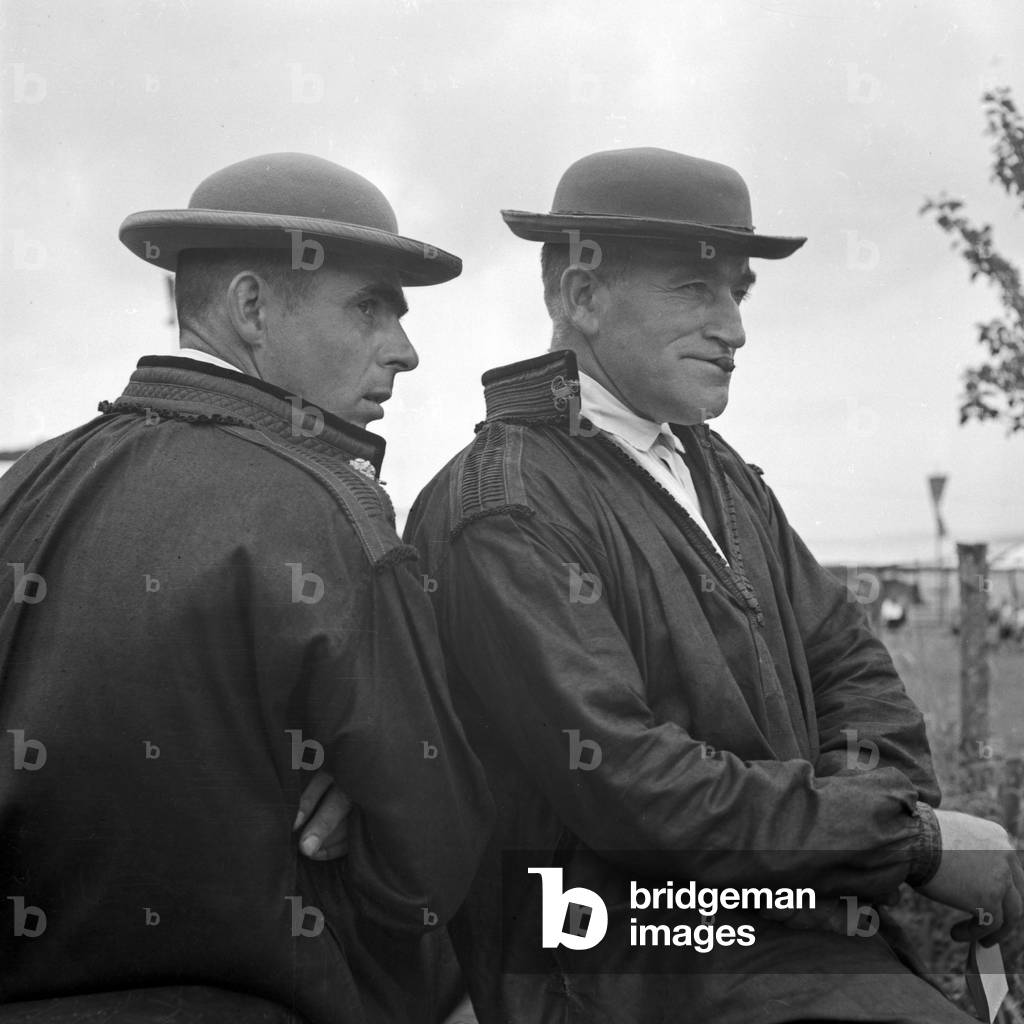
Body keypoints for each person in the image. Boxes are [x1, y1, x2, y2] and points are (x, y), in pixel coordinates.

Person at [404, 147, 1024, 1023]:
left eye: (740, 292)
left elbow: (852, 667)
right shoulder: (505, 506)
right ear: (581, 295)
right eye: (697, 291)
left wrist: (863, 823)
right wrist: (906, 843)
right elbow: (633, 785)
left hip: (799, 944)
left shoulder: (717, 471)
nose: (735, 327)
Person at [0, 153, 492, 1023]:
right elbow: (434, 854)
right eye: (371, 306)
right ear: (254, 308)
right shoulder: (323, 508)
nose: (406, 351)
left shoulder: (25, 487)